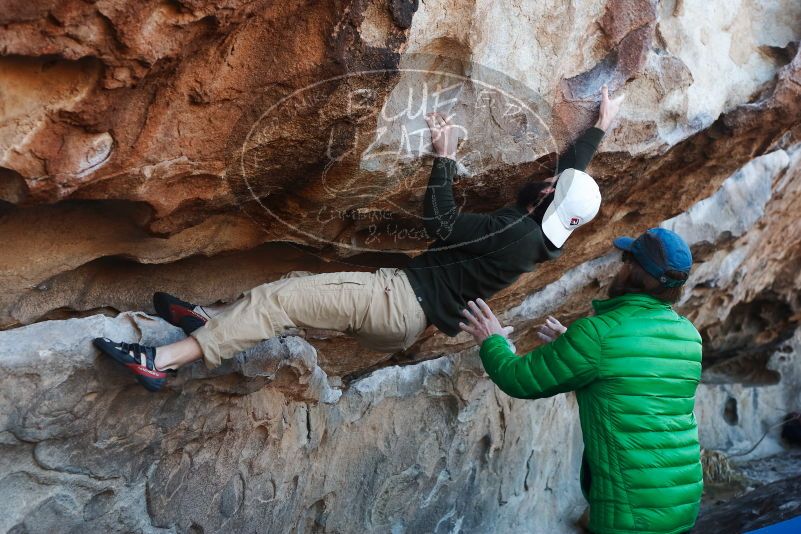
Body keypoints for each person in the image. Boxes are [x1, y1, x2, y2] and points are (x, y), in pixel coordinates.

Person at [93, 86, 625, 392]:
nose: (551, 178)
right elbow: (568, 181)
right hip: (401, 317)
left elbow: (440, 221)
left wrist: (442, 155)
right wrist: (598, 128)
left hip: (396, 302)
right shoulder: (539, 235)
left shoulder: (509, 231)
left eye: (554, 186)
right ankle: (216, 326)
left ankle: (159, 363)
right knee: (297, 289)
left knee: (280, 300)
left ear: (546, 203)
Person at [458, 228, 703, 534]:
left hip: (631, 517)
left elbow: (519, 379)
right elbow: (632, 383)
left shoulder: (598, 335)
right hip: (682, 499)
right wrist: (572, 347)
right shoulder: (689, 336)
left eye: (626, 259)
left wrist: (492, 341)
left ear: (632, 271)